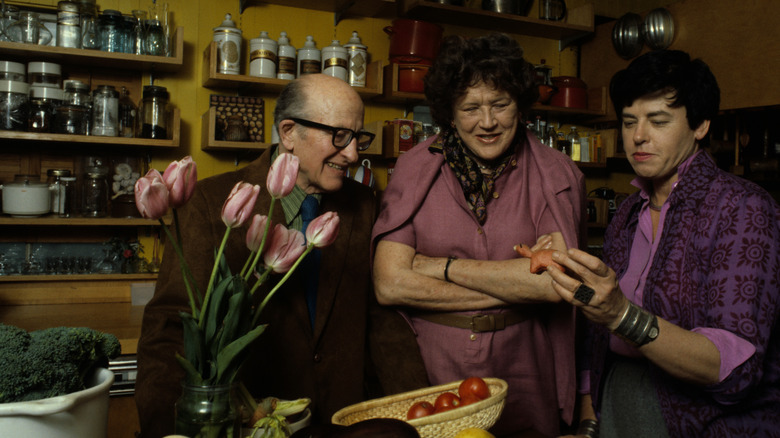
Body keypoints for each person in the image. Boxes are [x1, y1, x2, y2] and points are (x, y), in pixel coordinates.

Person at [135, 74, 428, 438]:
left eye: (357, 138)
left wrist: (420, 412)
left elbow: (381, 319)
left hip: (344, 422)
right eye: (338, 136)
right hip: (251, 425)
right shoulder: (210, 203)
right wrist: (166, 429)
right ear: (288, 132)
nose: (353, 154)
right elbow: (170, 330)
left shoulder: (363, 204)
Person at [548, 50, 780, 438]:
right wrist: (589, 422)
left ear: (701, 125)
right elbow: (596, 338)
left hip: (703, 422)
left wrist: (622, 315)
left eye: (658, 121)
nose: (638, 136)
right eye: (628, 122)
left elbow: (734, 368)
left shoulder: (744, 208)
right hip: (618, 406)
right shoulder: (627, 211)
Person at [371, 33, 587, 437]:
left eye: (500, 105)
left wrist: (438, 266)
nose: (487, 123)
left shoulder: (557, 173)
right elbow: (389, 283)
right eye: (470, 108)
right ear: (449, 114)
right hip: (436, 363)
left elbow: (558, 286)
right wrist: (518, 279)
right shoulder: (414, 168)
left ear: (520, 107)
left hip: (526, 363)